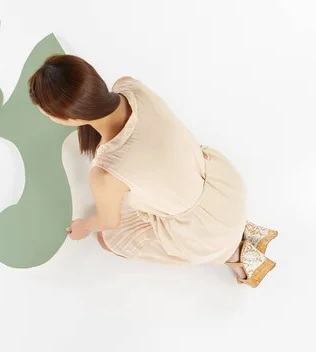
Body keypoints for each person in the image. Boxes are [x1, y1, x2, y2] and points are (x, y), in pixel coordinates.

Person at [28, 54, 278, 287]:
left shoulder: (104, 174)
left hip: (201, 232)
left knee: (108, 240)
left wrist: (83, 226)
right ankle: (234, 230)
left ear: (70, 118)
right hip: (222, 183)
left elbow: (109, 221)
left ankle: (232, 253)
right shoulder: (130, 87)